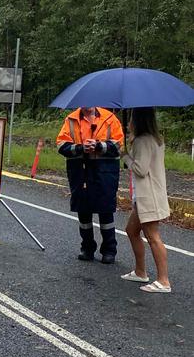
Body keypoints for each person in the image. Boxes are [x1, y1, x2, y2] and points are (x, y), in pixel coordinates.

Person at [56, 106, 124, 263]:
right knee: (83, 210)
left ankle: (109, 250)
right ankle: (87, 248)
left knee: (105, 210)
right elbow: (61, 145)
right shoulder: (71, 120)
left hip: (105, 171)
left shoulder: (109, 118)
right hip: (81, 170)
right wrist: (81, 148)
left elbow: (119, 144)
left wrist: (99, 146)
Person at [121, 108, 171, 293]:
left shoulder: (143, 141)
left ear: (138, 120)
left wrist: (124, 155)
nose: (128, 122)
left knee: (153, 237)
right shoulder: (154, 139)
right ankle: (140, 271)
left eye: (131, 118)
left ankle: (163, 281)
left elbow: (141, 170)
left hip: (148, 195)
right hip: (147, 194)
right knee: (131, 230)